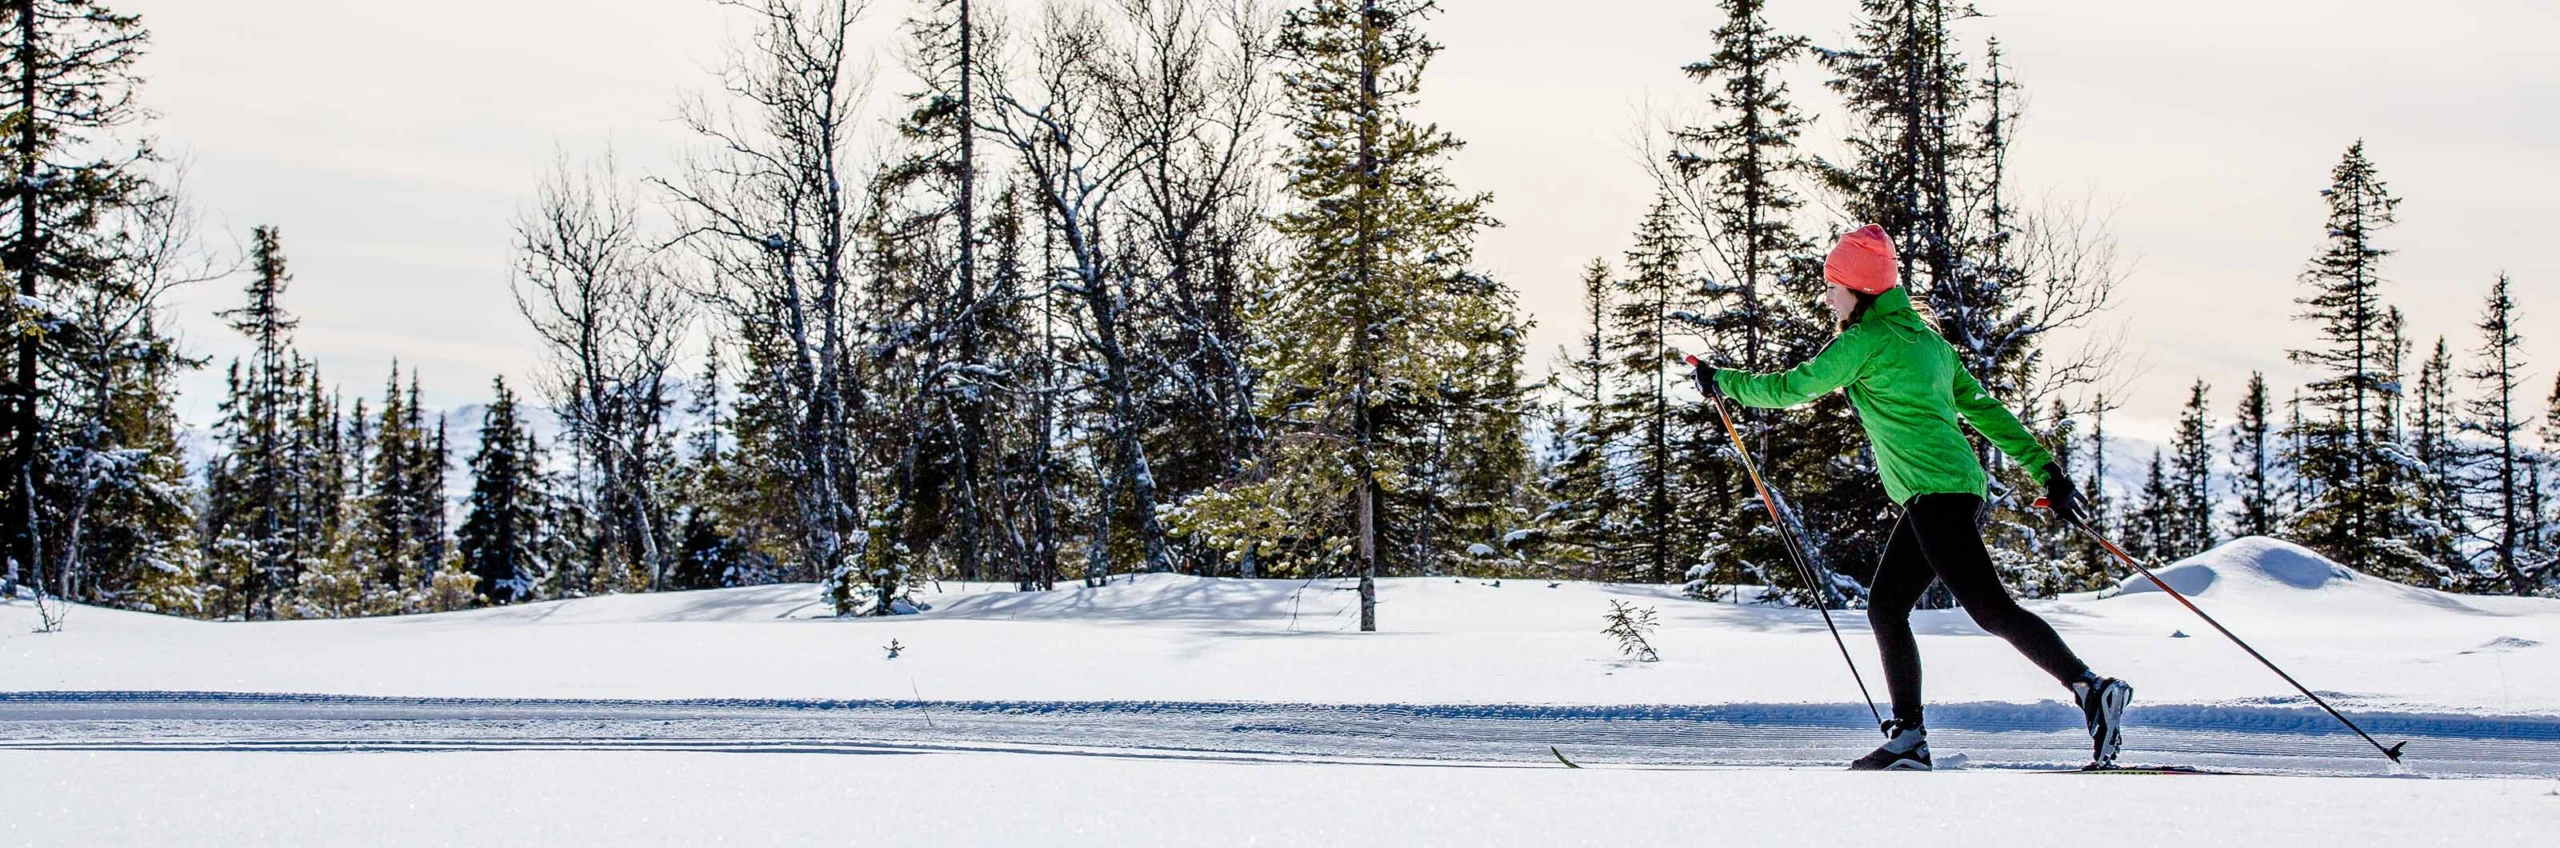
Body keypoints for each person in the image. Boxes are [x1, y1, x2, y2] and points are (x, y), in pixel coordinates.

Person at [1697, 224, 2131, 771]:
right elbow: (1986, 411)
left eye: (1834, 286)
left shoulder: (1864, 342)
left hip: (1936, 493)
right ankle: (1910, 738)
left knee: (1989, 608)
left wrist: (1723, 381)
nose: (1828, 297)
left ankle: (2091, 689)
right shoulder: (1930, 346)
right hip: (1950, 489)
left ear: (1860, 289)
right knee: (1887, 606)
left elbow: (1791, 389)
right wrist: (2047, 471)